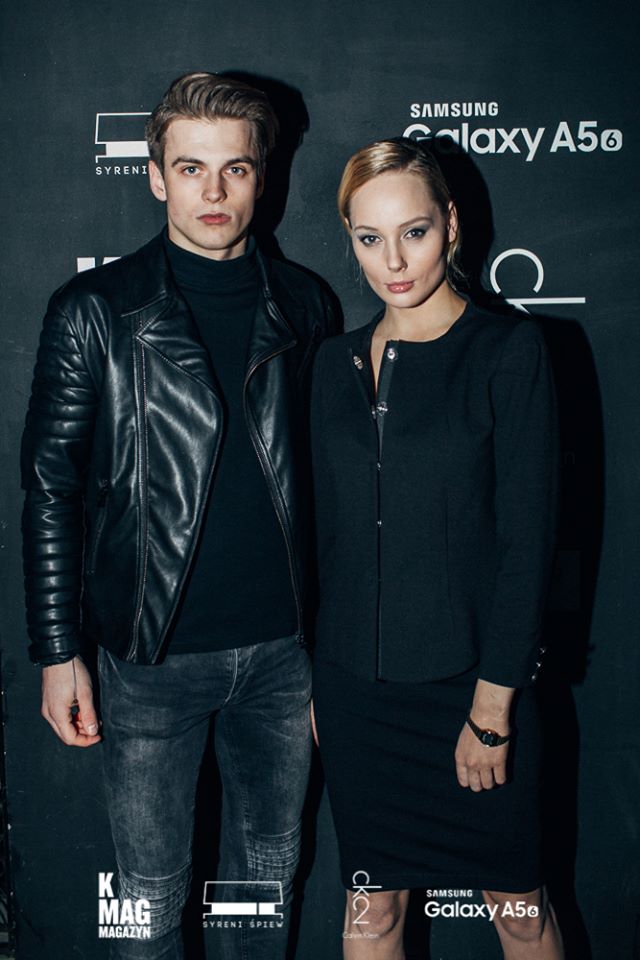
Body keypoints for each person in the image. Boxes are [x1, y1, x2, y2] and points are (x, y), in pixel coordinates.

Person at [21, 71, 335, 960]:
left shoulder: (305, 304)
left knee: (261, 894)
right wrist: (58, 652)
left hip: (284, 659)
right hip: (151, 658)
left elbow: (335, 491)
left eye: (235, 168)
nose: (214, 191)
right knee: (150, 906)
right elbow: (51, 487)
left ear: (262, 177)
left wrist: (336, 648)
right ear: (157, 176)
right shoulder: (95, 312)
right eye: (191, 168)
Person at [310, 138, 564, 959]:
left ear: (450, 225)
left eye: (413, 232)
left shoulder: (507, 352)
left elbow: (529, 543)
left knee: (518, 911)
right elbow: (326, 540)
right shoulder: (330, 365)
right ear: (350, 239)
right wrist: (320, 682)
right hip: (357, 691)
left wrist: (491, 712)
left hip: (472, 688)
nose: (393, 261)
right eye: (369, 238)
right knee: (372, 912)